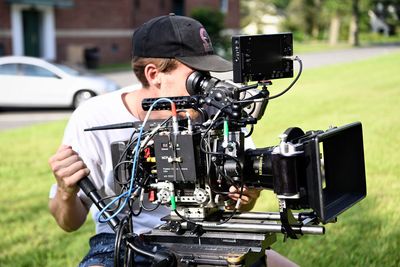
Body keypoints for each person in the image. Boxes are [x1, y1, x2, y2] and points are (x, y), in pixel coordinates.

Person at [48, 14, 297, 267]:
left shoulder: (216, 110)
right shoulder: (94, 118)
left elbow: (243, 199)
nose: (206, 87)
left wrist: (246, 197)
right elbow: (68, 223)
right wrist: (66, 193)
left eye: (208, 75)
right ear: (154, 75)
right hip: (125, 240)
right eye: (197, 79)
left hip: (206, 235)